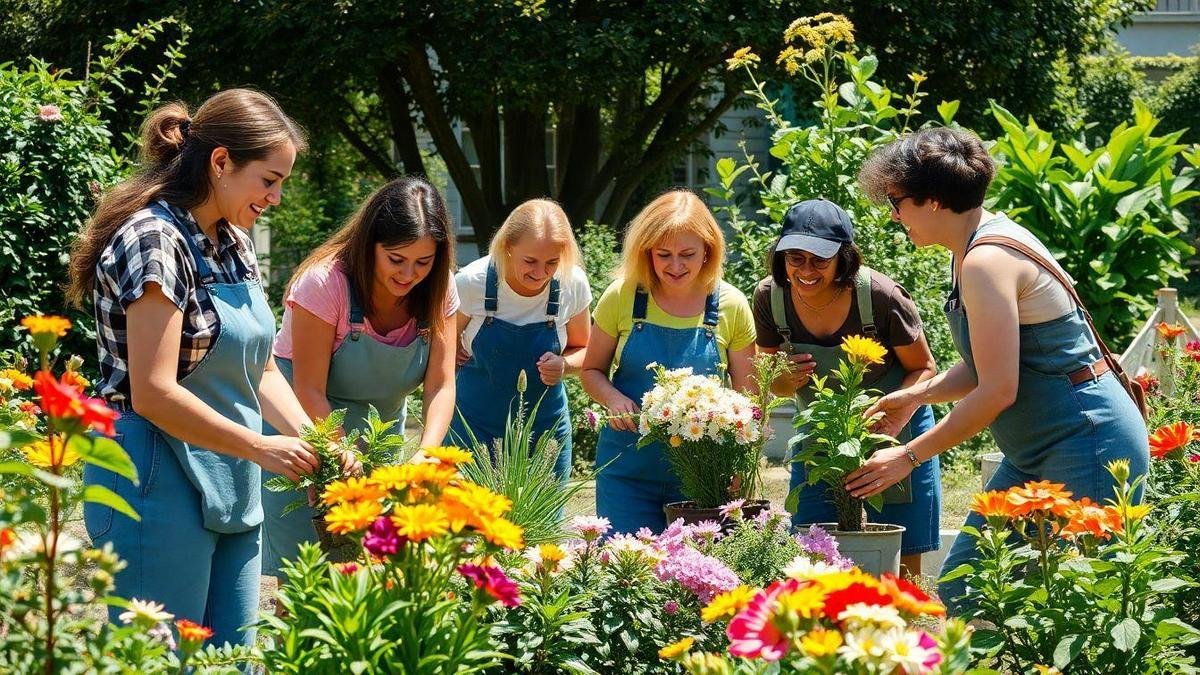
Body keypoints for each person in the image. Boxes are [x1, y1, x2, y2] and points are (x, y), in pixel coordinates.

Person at [852, 127, 1150, 613]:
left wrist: (908, 456)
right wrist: (914, 396)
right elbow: (982, 366)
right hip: (1037, 449)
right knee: (966, 588)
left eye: (897, 202)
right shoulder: (971, 249)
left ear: (932, 200)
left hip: (1086, 442)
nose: (893, 215)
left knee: (1086, 607)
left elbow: (997, 390)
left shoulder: (987, 260)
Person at [68, 89, 320, 648]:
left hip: (232, 475)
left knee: (232, 655)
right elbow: (153, 392)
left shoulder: (234, 242)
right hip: (153, 473)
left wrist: (316, 442)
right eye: (269, 180)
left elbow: (261, 370)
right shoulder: (154, 241)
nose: (276, 197)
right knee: (161, 656)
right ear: (221, 161)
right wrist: (260, 446)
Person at [261, 176, 458, 577]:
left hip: (378, 431)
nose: (409, 275)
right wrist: (338, 453)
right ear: (370, 245)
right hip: (307, 430)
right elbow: (308, 389)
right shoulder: (324, 283)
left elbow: (440, 384)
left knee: (373, 566)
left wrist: (427, 454)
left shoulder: (440, 288)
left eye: (423, 262)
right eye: (396, 259)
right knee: (305, 574)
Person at [753, 198, 941, 576]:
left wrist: (896, 417)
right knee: (814, 556)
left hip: (893, 433)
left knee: (899, 565)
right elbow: (767, 376)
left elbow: (924, 368)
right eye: (795, 258)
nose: (806, 270)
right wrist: (783, 380)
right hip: (819, 440)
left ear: (844, 258)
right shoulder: (769, 298)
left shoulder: (881, 297)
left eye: (820, 260)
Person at [581, 190, 756, 535]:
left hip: (704, 476)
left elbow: (747, 400)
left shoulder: (732, 305)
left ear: (708, 250)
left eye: (687, 255)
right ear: (646, 251)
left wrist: (739, 465)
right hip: (626, 472)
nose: (675, 266)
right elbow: (591, 371)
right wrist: (612, 398)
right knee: (627, 564)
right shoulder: (622, 296)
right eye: (664, 255)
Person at [448, 199, 590, 480]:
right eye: (530, 261)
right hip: (473, 428)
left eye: (552, 263)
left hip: (545, 434)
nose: (540, 273)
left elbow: (585, 349)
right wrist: (450, 351)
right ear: (508, 247)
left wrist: (564, 365)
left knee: (544, 511)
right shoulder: (472, 282)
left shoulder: (572, 284)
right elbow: (440, 346)